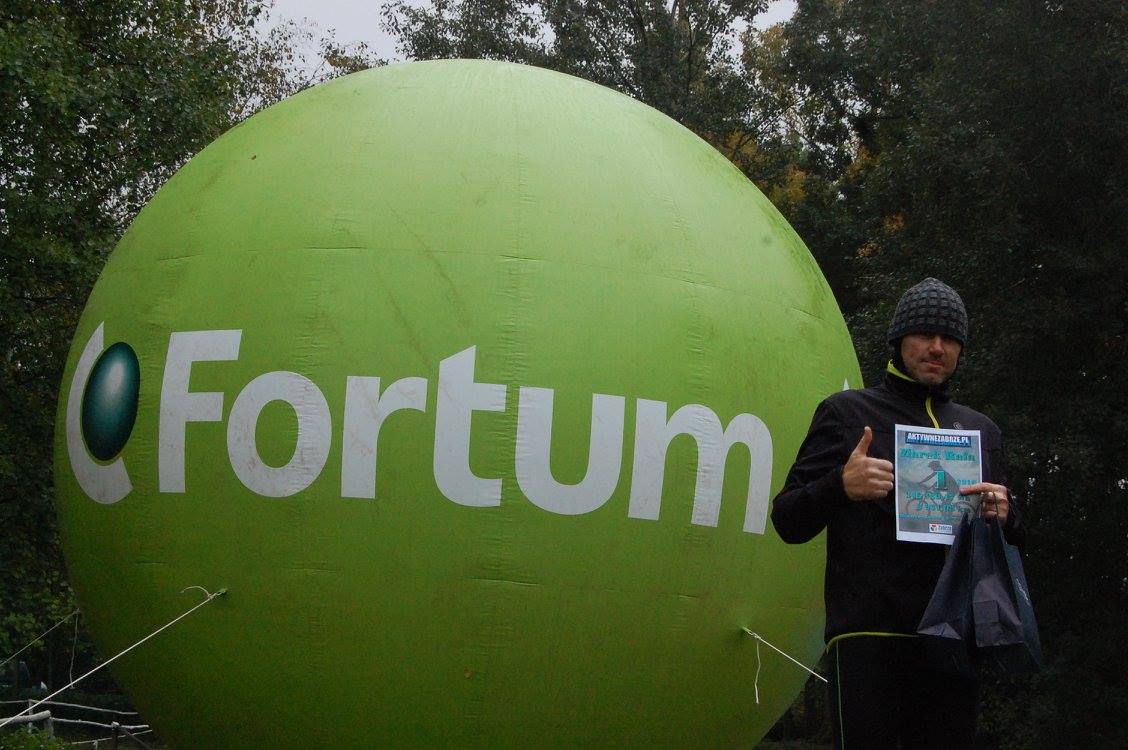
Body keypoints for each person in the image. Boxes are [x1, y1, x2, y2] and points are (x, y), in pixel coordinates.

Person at [770, 277, 1024, 749]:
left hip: (955, 638)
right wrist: (840, 486)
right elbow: (787, 519)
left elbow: (1012, 540)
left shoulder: (980, 430)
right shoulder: (847, 413)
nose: (936, 348)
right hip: (871, 635)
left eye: (949, 338)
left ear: (961, 350)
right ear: (899, 340)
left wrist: (1005, 515)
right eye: (924, 334)